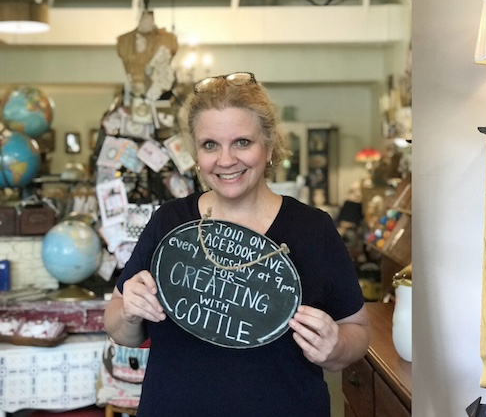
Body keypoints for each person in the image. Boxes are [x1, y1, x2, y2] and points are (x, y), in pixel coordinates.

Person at [104, 71, 370, 416]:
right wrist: (128, 312)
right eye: (210, 145)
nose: (226, 160)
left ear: (270, 146)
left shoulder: (312, 229)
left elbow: (358, 331)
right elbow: (120, 329)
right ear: (196, 153)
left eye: (242, 142)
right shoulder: (169, 222)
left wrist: (336, 347)